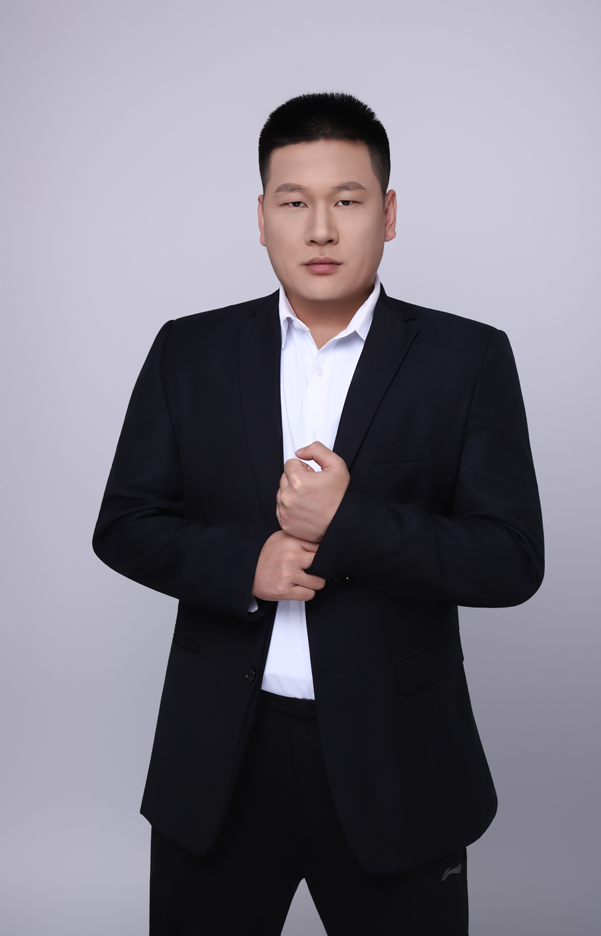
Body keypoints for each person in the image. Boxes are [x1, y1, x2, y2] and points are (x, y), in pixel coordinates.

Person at [93, 92, 544, 935]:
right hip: (221, 757)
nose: (322, 229)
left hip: (398, 760)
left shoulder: (468, 358)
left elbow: (511, 558)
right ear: (262, 218)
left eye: (348, 200)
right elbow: (124, 523)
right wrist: (247, 564)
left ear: (390, 214)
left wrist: (350, 524)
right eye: (295, 202)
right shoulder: (187, 350)